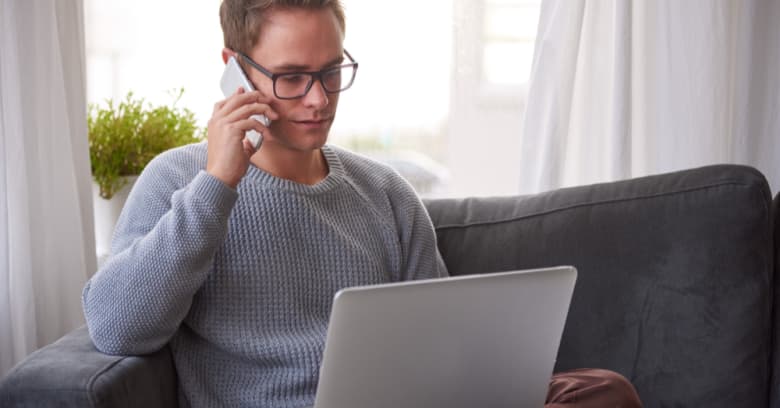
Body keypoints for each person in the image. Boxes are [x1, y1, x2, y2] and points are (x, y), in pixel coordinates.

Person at [82, 1, 642, 407]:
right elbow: (117, 327)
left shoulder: (385, 192)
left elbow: (444, 337)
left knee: (604, 392)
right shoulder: (180, 180)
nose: (319, 99)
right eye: (292, 78)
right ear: (235, 68)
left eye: (330, 71)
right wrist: (218, 184)